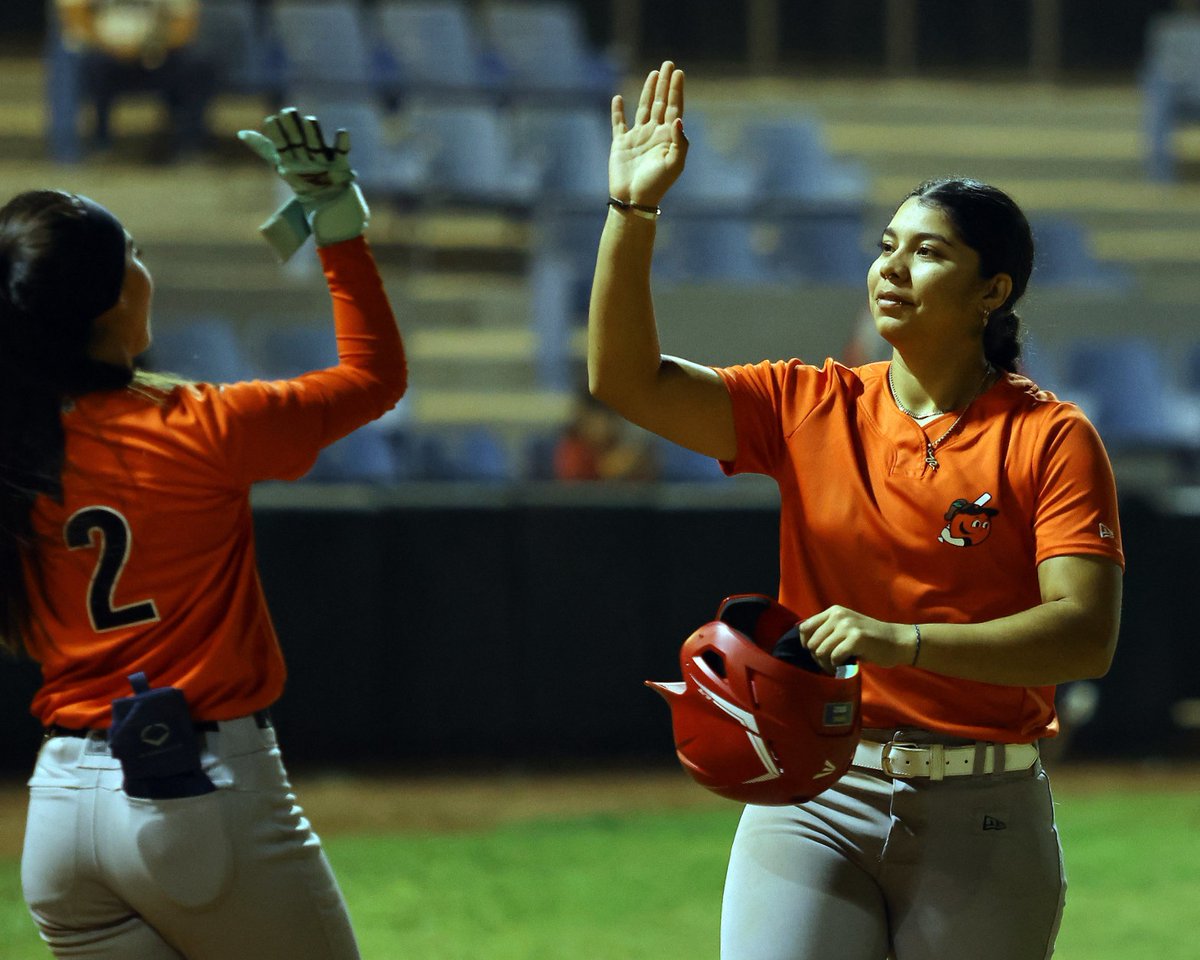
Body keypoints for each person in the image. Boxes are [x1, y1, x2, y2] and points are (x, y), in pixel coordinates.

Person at [589, 62, 1124, 960]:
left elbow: (1084, 638)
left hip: (984, 810)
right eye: (888, 244)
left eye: (930, 250)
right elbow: (624, 379)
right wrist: (633, 212)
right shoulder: (807, 403)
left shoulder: (1051, 437)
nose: (893, 266)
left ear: (994, 291)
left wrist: (898, 640)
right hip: (813, 794)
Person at [2, 109, 405, 959]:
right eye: (135, 255)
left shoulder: (12, 446)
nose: (147, 268)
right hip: (197, 792)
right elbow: (373, 378)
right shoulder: (198, 425)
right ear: (111, 302)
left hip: (59, 813)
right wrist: (338, 227)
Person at [55, 0, 215, 159]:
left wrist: (147, 46)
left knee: (197, 64)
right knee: (81, 60)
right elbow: (75, 16)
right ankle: (99, 139)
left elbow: (185, 25)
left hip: (158, 51)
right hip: (101, 52)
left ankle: (188, 144)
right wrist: (112, 47)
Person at [553, 389, 657, 482]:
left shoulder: (621, 446)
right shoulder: (573, 448)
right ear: (584, 419)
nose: (605, 426)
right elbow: (575, 486)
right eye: (598, 420)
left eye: (611, 417)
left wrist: (636, 466)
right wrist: (606, 471)